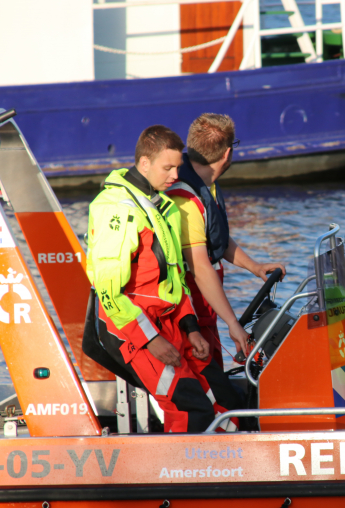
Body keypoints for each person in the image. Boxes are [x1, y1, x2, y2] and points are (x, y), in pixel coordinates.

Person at [85, 125, 240, 433]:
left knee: (225, 399)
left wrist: (191, 328)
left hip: (171, 324)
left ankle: (237, 468)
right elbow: (109, 292)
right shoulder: (116, 209)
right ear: (144, 163)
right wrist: (151, 341)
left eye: (177, 168)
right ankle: (183, 476)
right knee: (190, 406)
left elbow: (175, 281)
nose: (174, 176)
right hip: (133, 329)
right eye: (167, 168)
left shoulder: (159, 205)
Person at [167, 114, 286, 367]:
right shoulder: (185, 200)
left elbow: (215, 235)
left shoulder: (206, 184)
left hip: (208, 309)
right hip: (191, 314)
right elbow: (199, 267)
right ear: (227, 154)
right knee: (208, 387)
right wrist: (233, 324)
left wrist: (253, 266)